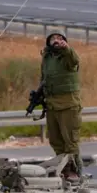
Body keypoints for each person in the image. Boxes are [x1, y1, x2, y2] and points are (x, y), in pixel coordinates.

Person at [39, 31, 83, 181]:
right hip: (52, 105)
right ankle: (62, 168)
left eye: (60, 38)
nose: (56, 41)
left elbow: (75, 60)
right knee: (56, 140)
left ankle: (74, 170)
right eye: (53, 39)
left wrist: (67, 48)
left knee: (70, 141)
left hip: (68, 105)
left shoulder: (67, 57)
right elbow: (44, 78)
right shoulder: (47, 58)